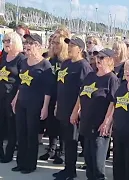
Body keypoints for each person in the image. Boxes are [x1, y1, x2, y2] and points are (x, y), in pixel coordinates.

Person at [71, 48, 119, 180]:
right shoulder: (91, 76)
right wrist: (75, 112)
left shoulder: (112, 79)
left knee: (98, 163)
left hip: (100, 125)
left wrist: (107, 122)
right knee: (89, 159)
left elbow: (113, 103)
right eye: (97, 58)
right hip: (87, 122)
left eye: (102, 58)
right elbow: (81, 95)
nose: (98, 60)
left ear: (109, 60)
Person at [11, 33, 54, 174]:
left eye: (30, 43)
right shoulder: (23, 62)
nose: (27, 46)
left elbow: (48, 89)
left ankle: (30, 164)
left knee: (31, 134)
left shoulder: (45, 65)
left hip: (35, 104)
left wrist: (45, 107)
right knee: (21, 133)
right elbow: (21, 82)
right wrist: (15, 98)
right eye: (26, 43)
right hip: (21, 101)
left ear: (38, 46)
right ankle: (21, 162)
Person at [53, 37, 92, 180]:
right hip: (62, 107)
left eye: (73, 46)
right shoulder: (66, 63)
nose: (69, 48)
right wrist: (57, 104)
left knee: (72, 141)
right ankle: (67, 168)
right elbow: (60, 85)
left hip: (73, 110)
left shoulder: (84, 67)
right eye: (69, 45)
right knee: (66, 139)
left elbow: (83, 92)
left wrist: (76, 111)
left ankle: (71, 171)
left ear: (80, 49)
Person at [38, 30, 70, 165]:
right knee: (51, 124)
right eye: (53, 43)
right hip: (50, 95)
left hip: (62, 97)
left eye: (57, 43)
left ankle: (61, 151)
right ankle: (51, 148)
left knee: (62, 125)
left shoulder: (67, 62)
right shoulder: (50, 60)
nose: (54, 45)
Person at [0, 32, 26, 163]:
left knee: (11, 126)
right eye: (4, 40)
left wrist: (17, 98)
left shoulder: (21, 59)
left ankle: (9, 154)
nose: (5, 43)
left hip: (12, 96)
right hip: (1, 94)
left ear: (15, 42)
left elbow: (23, 81)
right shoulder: (3, 55)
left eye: (8, 40)